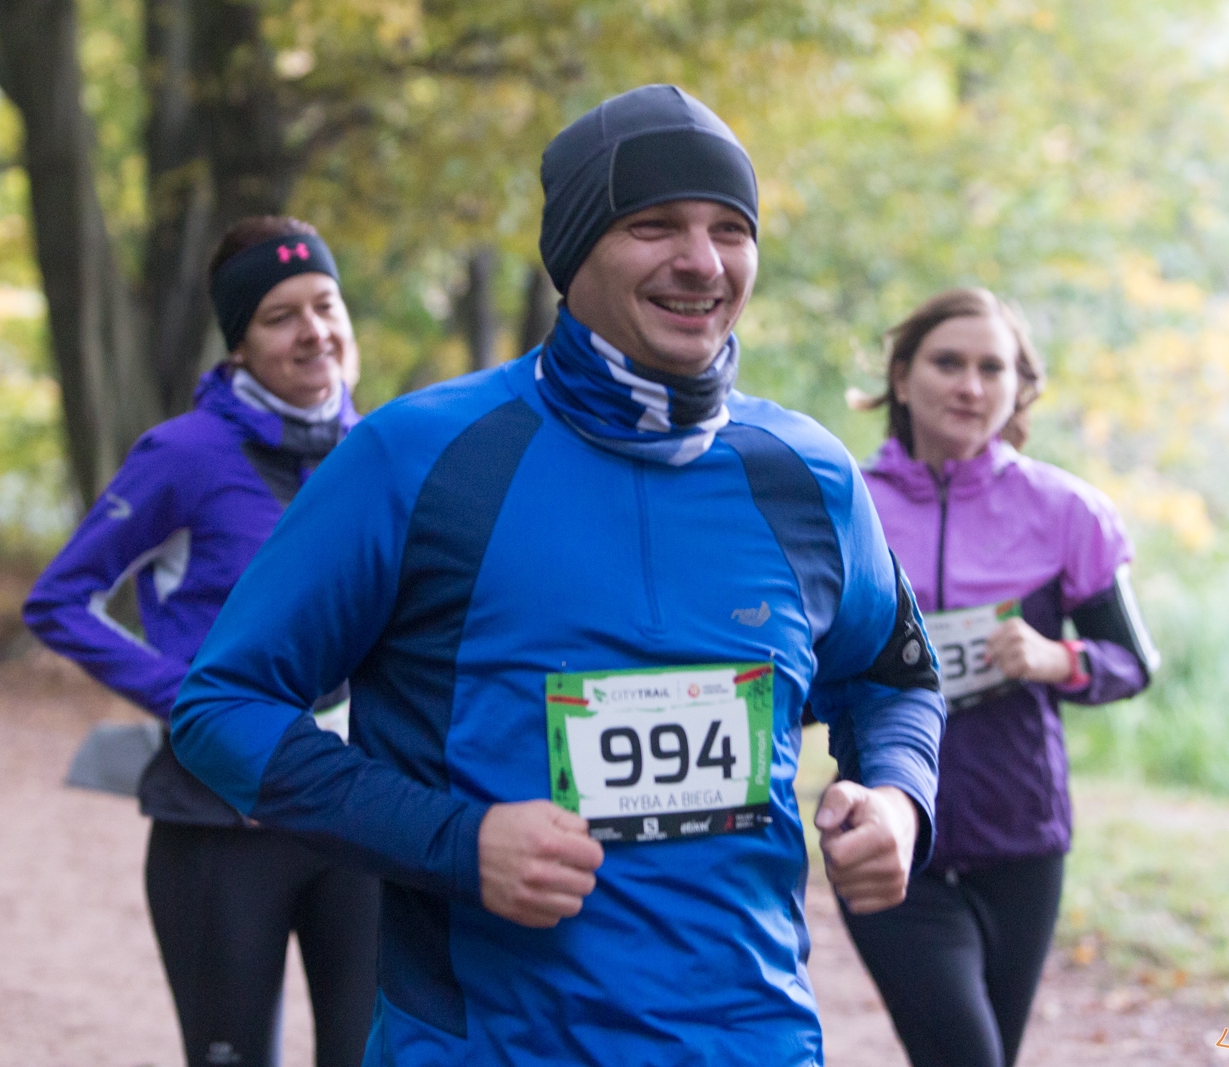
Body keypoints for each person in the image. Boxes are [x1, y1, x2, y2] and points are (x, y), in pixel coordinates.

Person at [170, 85, 945, 1067]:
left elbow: (893, 674)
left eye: (727, 229)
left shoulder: (807, 473)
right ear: (573, 250)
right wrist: (454, 838)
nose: (700, 261)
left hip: (752, 1039)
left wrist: (895, 796)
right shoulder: (417, 457)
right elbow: (219, 705)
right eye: (652, 224)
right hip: (484, 1042)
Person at [23, 217, 379, 1067]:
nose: (313, 331)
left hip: (361, 814)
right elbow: (58, 600)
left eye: (325, 305)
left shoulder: (379, 451)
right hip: (221, 822)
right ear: (239, 343)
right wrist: (189, 699)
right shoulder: (185, 455)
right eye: (279, 315)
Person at [842, 288, 1159, 1067]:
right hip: (893, 835)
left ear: (1021, 387)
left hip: (1022, 842)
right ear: (903, 375)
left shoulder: (1067, 510)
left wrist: (1059, 659)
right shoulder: (842, 504)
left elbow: (1133, 662)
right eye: (948, 362)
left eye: (995, 367)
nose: (971, 385)